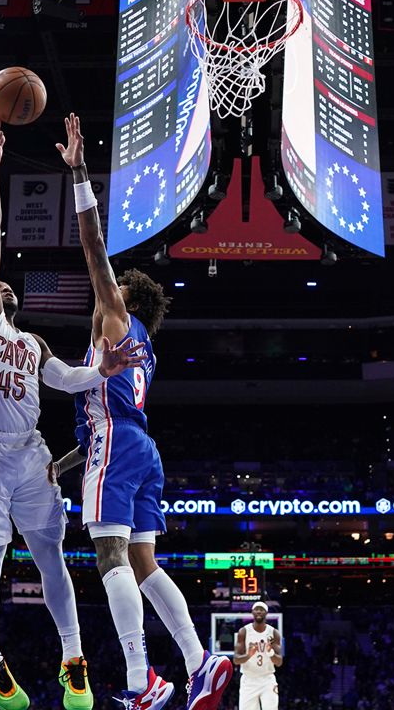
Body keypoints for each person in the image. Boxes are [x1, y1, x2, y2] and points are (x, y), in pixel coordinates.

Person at [0, 114, 144, 710]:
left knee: (51, 557)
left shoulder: (33, 345)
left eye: (12, 287)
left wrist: (105, 372)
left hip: (30, 456)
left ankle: (73, 657)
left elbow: (67, 379)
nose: (4, 286)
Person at [53, 112, 233, 710]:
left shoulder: (113, 317)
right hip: (138, 448)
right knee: (144, 561)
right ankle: (199, 661)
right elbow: (105, 413)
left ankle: (140, 680)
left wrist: (79, 170)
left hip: (118, 444)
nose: (107, 285)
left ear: (124, 297)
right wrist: (65, 463)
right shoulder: (140, 348)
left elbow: (92, 244)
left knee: (108, 556)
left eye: (115, 285)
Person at [233, 602, 281, 710]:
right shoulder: (244, 632)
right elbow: (236, 660)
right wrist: (248, 655)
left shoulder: (273, 633)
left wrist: (270, 652)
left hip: (267, 679)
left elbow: (279, 662)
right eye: (256, 609)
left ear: (266, 613)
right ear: (252, 612)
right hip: (248, 680)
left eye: (262, 609)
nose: (259, 611)